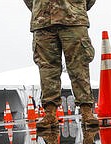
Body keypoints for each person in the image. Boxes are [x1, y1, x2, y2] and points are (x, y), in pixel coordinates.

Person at [23, 0, 98, 130]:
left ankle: (87, 110)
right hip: (43, 20)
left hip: (73, 18)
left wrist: (76, 6)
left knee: (79, 65)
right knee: (47, 69)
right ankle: (50, 113)